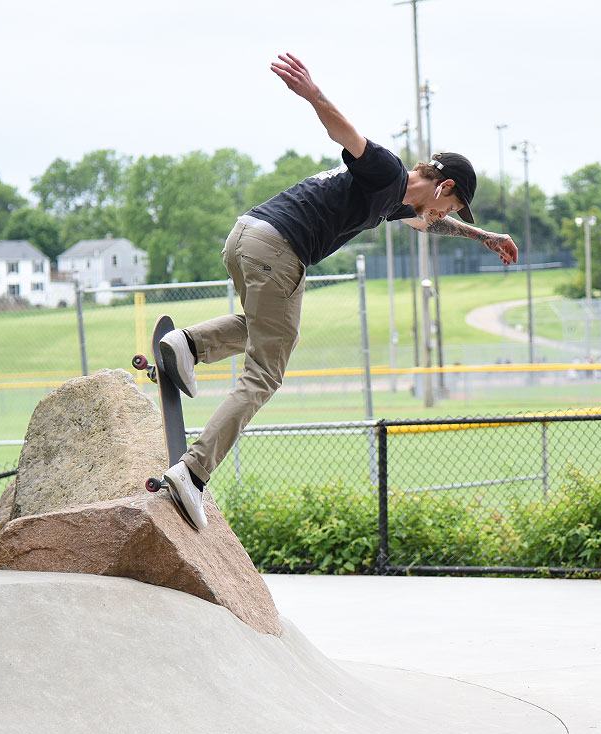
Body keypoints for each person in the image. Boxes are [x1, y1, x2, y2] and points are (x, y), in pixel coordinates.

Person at [158, 53, 519, 529]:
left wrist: (484, 236)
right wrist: (314, 94)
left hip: (247, 236)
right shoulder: (387, 173)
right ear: (443, 185)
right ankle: (193, 474)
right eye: (449, 204)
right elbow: (347, 135)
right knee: (266, 374)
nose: (442, 213)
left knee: (269, 329)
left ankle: (187, 344)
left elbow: (427, 226)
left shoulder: (392, 200)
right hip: (279, 249)